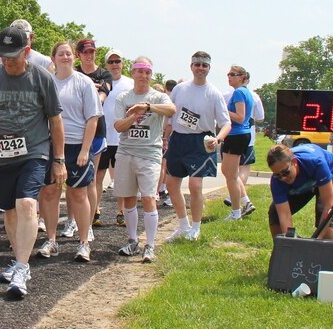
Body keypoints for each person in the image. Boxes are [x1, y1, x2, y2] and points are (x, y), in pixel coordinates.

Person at [0, 26, 65, 299]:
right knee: (8, 210)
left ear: (27, 51)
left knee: (27, 204)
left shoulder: (42, 78)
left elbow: (55, 120)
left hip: (35, 151)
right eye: (3, 56)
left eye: (13, 56)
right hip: (1, 156)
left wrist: (58, 159)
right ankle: (18, 258)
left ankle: (21, 267)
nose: (7, 61)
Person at [35, 41, 100, 262]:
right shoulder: (47, 83)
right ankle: (51, 240)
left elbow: (92, 118)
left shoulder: (84, 83)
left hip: (76, 146)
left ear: (74, 57)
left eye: (69, 54)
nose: (65, 57)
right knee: (50, 192)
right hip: (49, 145)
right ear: (53, 59)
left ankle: (83, 242)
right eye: (60, 54)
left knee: (78, 193)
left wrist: (85, 149)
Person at [164, 51, 231, 241]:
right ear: (191, 66)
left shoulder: (214, 93)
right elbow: (171, 116)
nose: (200, 68)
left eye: (204, 65)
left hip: (201, 141)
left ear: (209, 68)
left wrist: (217, 139)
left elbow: (226, 123)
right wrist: (165, 137)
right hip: (179, 140)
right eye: (197, 64)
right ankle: (183, 225)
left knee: (195, 185)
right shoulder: (179, 89)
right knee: (171, 184)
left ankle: (196, 227)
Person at [113, 56, 175, 263]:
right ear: (133, 73)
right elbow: (118, 126)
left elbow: (171, 110)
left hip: (149, 154)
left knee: (148, 198)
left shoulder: (158, 97)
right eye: (140, 71)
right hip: (126, 152)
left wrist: (147, 107)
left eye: (147, 72)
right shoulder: (123, 97)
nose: (144, 75)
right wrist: (134, 116)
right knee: (128, 198)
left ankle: (150, 245)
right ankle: (132, 240)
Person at [67, 37, 111, 239]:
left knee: (90, 180)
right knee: (69, 181)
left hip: (95, 131)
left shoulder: (104, 74)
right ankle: (71, 221)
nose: (89, 55)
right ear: (79, 54)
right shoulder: (73, 73)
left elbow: (101, 98)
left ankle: (90, 222)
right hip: (72, 131)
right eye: (85, 52)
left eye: (92, 51)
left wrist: (91, 94)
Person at [265, 143, 333, 241]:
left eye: (286, 172)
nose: (283, 178)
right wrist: (289, 242)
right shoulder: (277, 181)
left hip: (332, 170)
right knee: (274, 213)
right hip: (308, 179)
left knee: (322, 211)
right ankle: (284, 252)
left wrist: (318, 239)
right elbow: (284, 215)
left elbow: (328, 206)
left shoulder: (316, 162)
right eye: (278, 175)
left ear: (294, 162)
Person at [95, 49, 133, 228]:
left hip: (122, 139)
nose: (115, 65)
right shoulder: (100, 82)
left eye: (117, 61)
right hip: (102, 137)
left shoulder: (130, 84)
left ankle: (121, 212)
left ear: (122, 63)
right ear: (105, 65)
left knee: (120, 178)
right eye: (111, 62)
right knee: (98, 177)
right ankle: (95, 210)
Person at [220, 65, 255, 221]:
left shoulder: (240, 92)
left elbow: (240, 117)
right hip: (237, 135)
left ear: (242, 77)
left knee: (231, 176)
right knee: (228, 172)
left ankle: (236, 213)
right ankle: (246, 202)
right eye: (228, 74)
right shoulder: (244, 92)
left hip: (237, 135)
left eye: (233, 74)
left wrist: (222, 110)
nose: (229, 77)